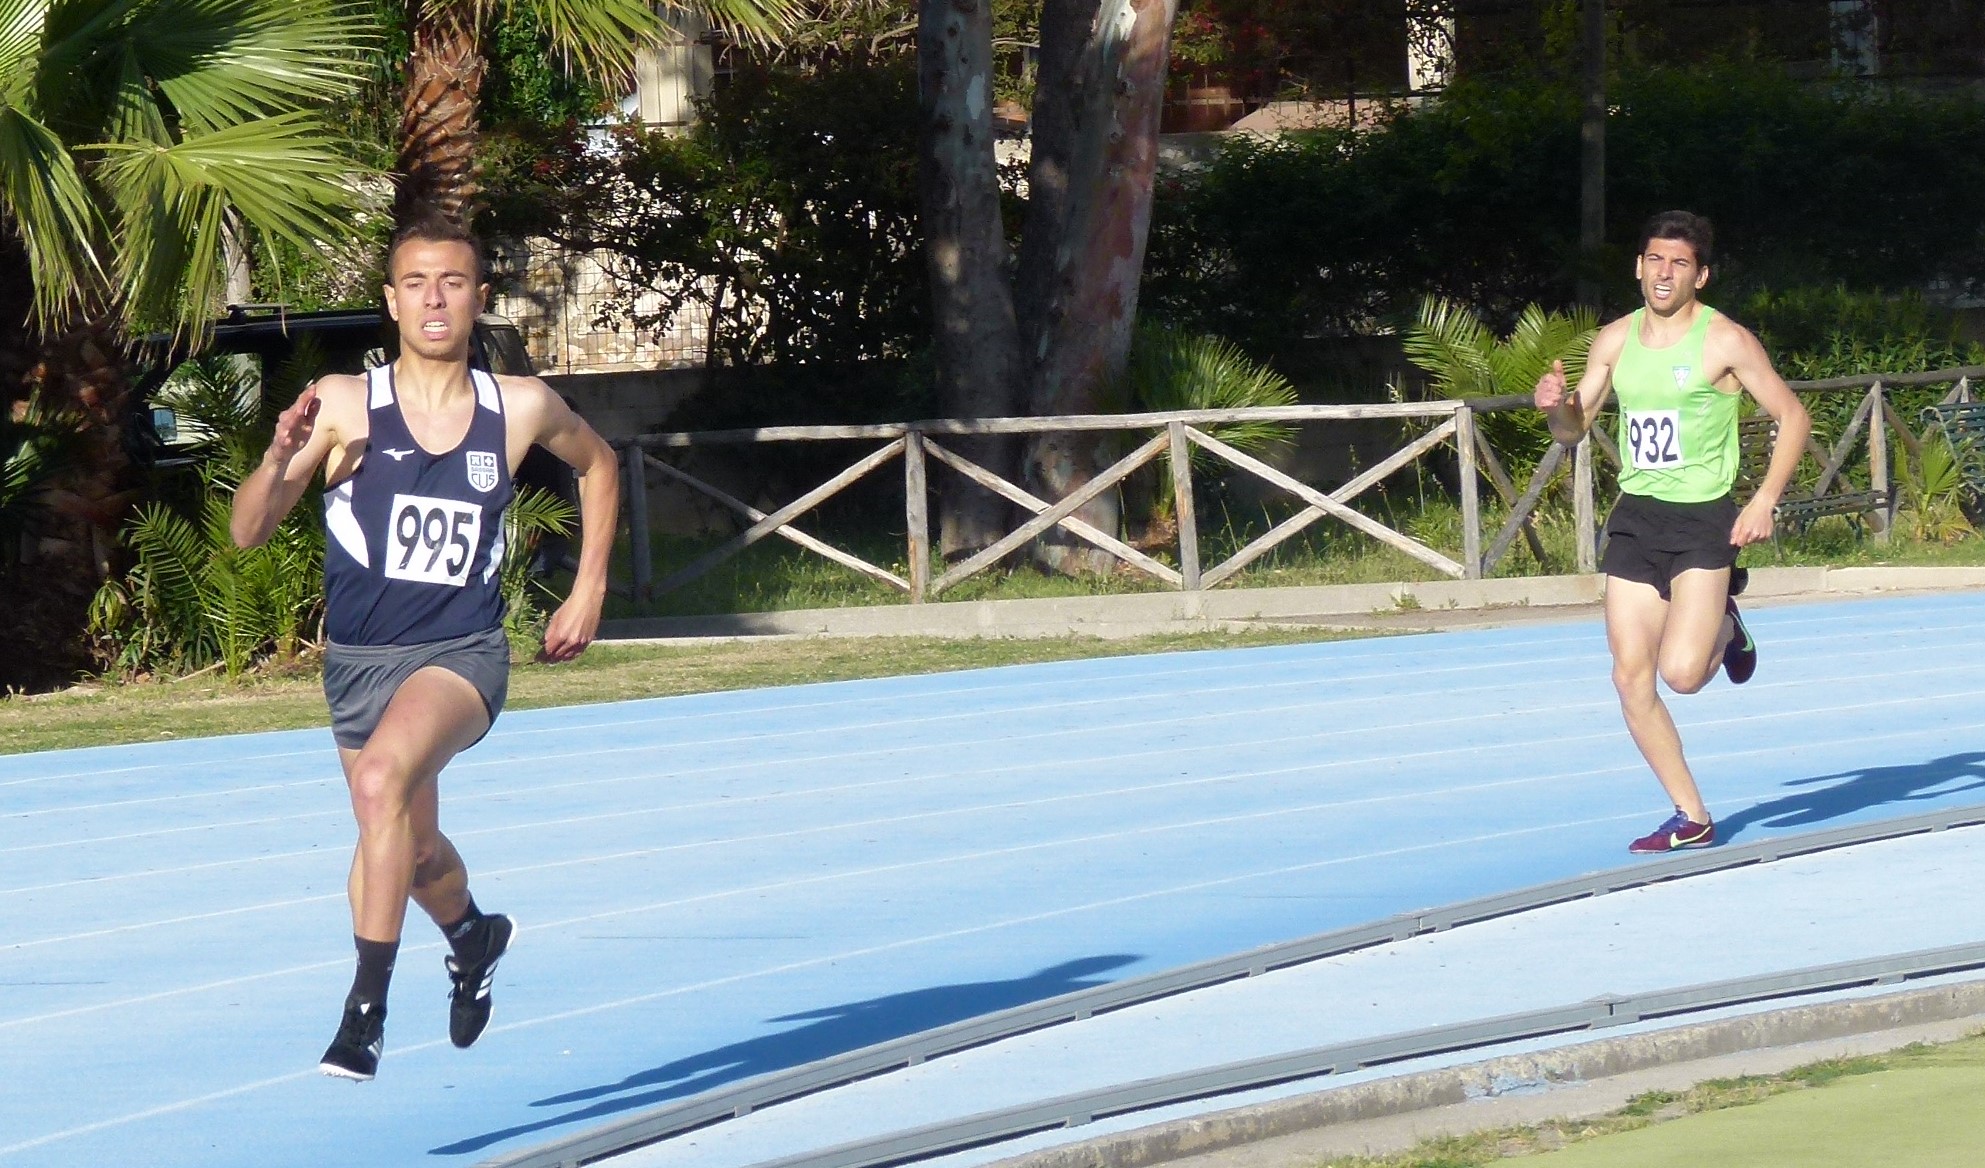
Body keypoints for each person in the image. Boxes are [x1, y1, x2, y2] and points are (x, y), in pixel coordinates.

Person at [231, 215, 619, 1080]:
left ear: (479, 298)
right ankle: (472, 935)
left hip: (461, 656)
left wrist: (589, 586)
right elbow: (248, 531)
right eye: (416, 283)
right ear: (391, 300)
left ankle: (363, 1015)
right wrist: (277, 458)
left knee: (380, 785)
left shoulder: (518, 407)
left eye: (451, 282)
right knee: (408, 849)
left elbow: (598, 465)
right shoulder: (343, 403)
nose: (434, 299)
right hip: (359, 665)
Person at [1534, 210, 1810, 855]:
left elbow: (1793, 417)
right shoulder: (1614, 340)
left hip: (1703, 518)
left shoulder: (1726, 341)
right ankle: (1692, 815)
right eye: (1655, 259)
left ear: (1700, 276)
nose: (1664, 273)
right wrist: (1554, 408)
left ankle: (1726, 626)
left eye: (1679, 263)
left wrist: (1765, 499)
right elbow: (1574, 431)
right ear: (1638, 266)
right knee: (1631, 678)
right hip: (1637, 517)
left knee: (1683, 676)